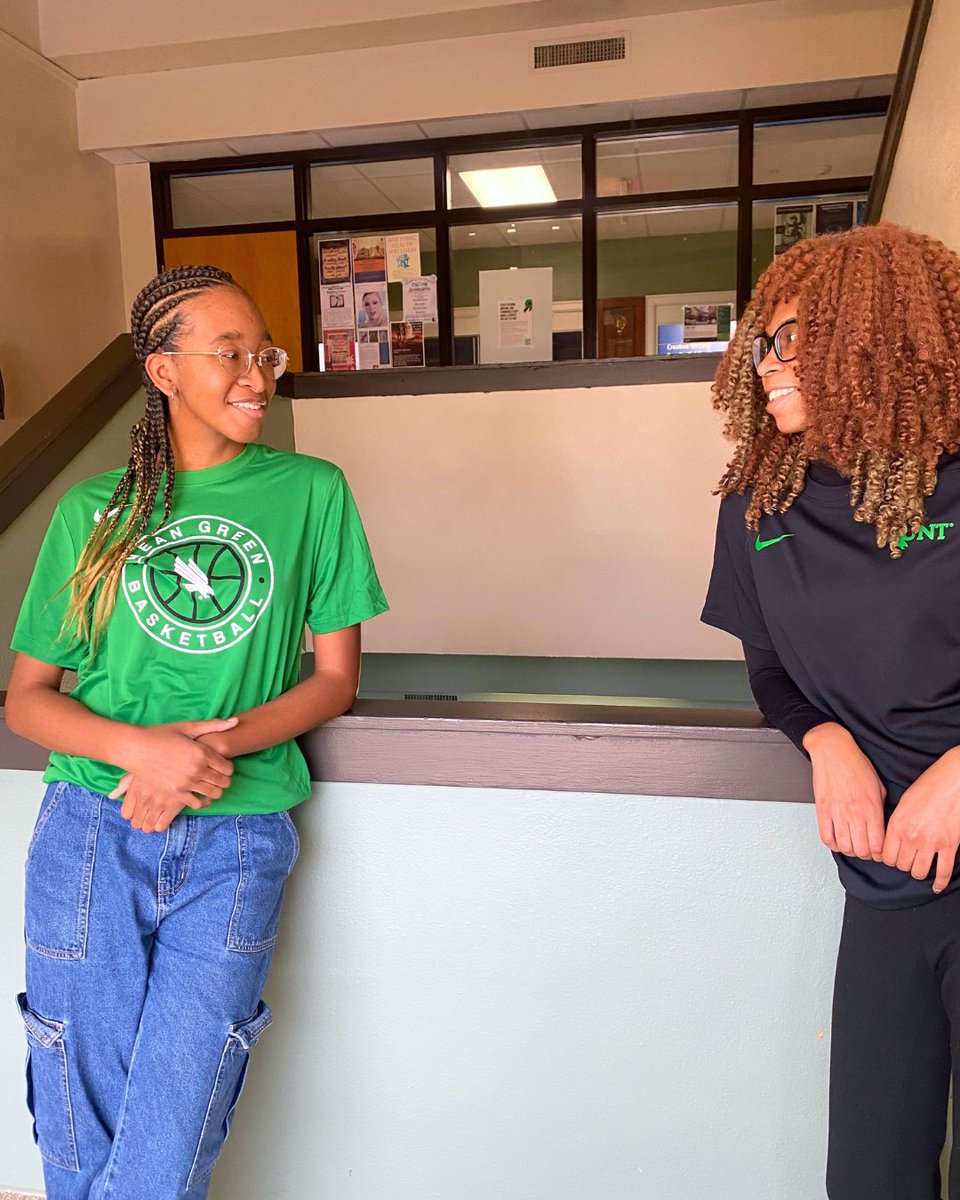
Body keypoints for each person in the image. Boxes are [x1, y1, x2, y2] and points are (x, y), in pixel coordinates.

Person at [6, 264, 388, 1199]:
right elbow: (28, 701)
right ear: (162, 370)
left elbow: (335, 680)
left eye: (266, 355)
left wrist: (202, 754)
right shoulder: (92, 512)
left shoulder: (312, 492)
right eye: (231, 353)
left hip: (239, 836)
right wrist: (143, 750)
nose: (258, 376)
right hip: (90, 830)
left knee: (181, 1105)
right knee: (78, 1099)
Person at [701, 221, 960, 1199]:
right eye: (761, 343)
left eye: (793, 340)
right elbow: (771, 667)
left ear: (876, 340)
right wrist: (823, 740)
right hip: (887, 884)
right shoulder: (758, 506)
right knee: (869, 1178)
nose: (767, 363)